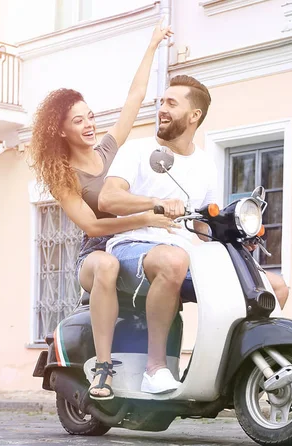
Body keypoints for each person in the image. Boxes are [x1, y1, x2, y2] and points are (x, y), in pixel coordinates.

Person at [98, 75, 289, 394]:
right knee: (174, 259)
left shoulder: (205, 164)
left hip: (185, 257)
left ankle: (229, 372)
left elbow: (204, 226)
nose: (162, 109)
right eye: (161, 102)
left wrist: (237, 237)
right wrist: (156, 203)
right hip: (133, 249)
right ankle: (154, 369)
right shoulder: (139, 151)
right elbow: (108, 199)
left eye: (171, 103)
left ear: (194, 115)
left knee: (274, 286)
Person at [27, 18, 178, 401]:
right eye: (79, 121)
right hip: (96, 254)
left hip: (133, 241)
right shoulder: (64, 175)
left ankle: (165, 363)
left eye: (91, 116)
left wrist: (153, 44)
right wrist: (146, 215)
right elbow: (94, 227)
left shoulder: (110, 148)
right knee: (107, 265)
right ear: (61, 131)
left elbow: (134, 98)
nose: (90, 124)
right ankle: (104, 370)